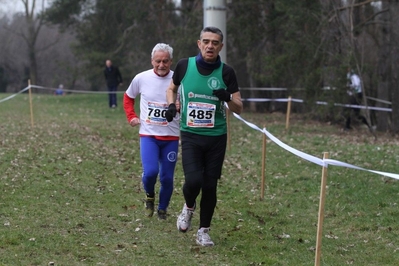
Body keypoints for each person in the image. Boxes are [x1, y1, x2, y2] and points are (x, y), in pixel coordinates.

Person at [165, 26, 243, 246]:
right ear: (199, 43)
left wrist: (227, 97)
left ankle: (203, 231)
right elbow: (171, 88)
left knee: (210, 185)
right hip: (191, 134)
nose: (210, 46)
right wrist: (172, 105)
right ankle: (189, 206)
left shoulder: (227, 72)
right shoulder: (184, 65)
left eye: (215, 42)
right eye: (206, 41)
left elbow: (239, 108)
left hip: (217, 136)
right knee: (193, 180)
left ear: (221, 46)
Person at [123, 43, 179, 220]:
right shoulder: (141, 78)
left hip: (171, 136)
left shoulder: (178, 80)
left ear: (171, 61)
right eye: (158, 61)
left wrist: (180, 106)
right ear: (151, 61)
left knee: (167, 178)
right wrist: (131, 116)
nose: (161, 65)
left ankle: (162, 210)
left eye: (165, 61)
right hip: (149, 135)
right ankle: (149, 195)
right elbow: (128, 97)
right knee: (151, 173)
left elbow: (188, 103)